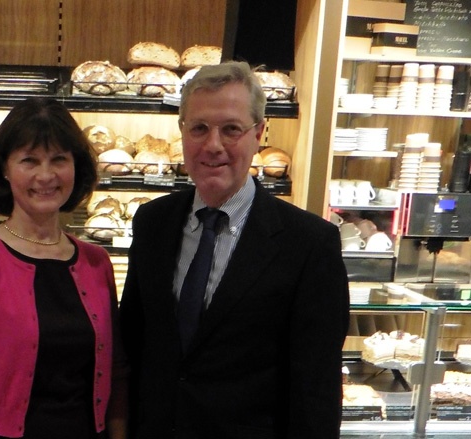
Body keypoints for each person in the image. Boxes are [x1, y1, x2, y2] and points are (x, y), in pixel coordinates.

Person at [119, 61, 350, 439]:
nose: (213, 146)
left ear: (259, 132)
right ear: (182, 132)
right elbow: (135, 343)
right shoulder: (152, 222)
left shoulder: (308, 243)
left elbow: (316, 390)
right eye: (199, 128)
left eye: (231, 129)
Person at [0, 97, 127, 439]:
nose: (46, 175)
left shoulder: (96, 263)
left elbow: (116, 372)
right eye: (29, 160)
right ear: (5, 169)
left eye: (59, 160)